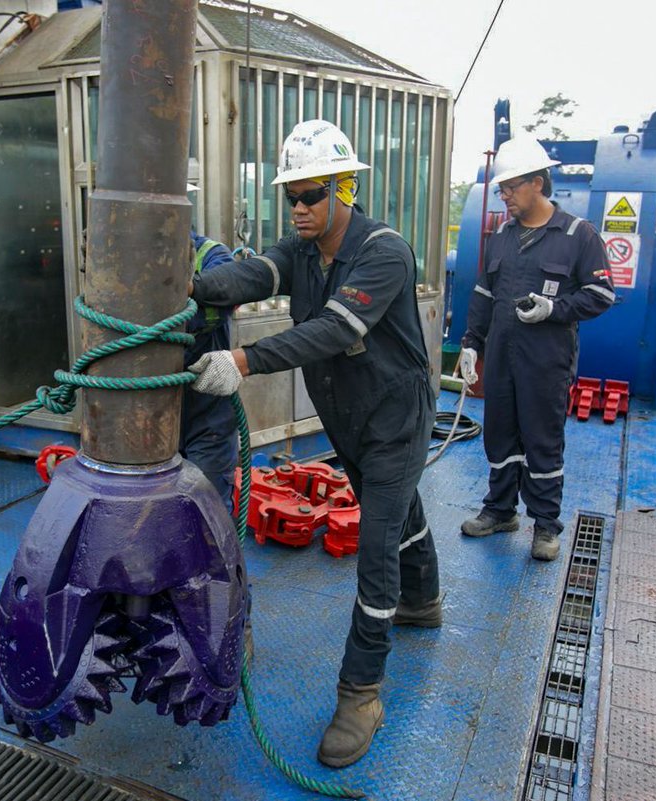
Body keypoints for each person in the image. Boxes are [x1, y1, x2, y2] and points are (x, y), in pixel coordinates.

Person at [186, 120, 439, 769]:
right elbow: (251, 276)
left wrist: (243, 361)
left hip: (395, 418)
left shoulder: (384, 251)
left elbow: (331, 329)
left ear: (342, 188)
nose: (299, 208)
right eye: (291, 195)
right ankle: (425, 599)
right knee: (399, 509)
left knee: (377, 541)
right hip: (349, 417)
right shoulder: (299, 252)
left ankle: (361, 693)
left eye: (311, 194)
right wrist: (187, 283)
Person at [457, 135, 614, 562]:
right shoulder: (503, 236)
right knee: (500, 435)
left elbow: (601, 294)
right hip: (502, 357)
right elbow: (483, 294)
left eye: (511, 186)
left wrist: (554, 308)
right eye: (502, 188)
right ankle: (500, 511)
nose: (504, 195)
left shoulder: (578, 236)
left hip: (546, 362)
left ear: (538, 183)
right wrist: (471, 343)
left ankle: (545, 526)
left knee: (543, 441)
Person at [180, 183, 238, 510]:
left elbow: (226, 293)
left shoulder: (212, 256)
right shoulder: (124, 263)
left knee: (207, 510)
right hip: (148, 412)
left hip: (207, 415)